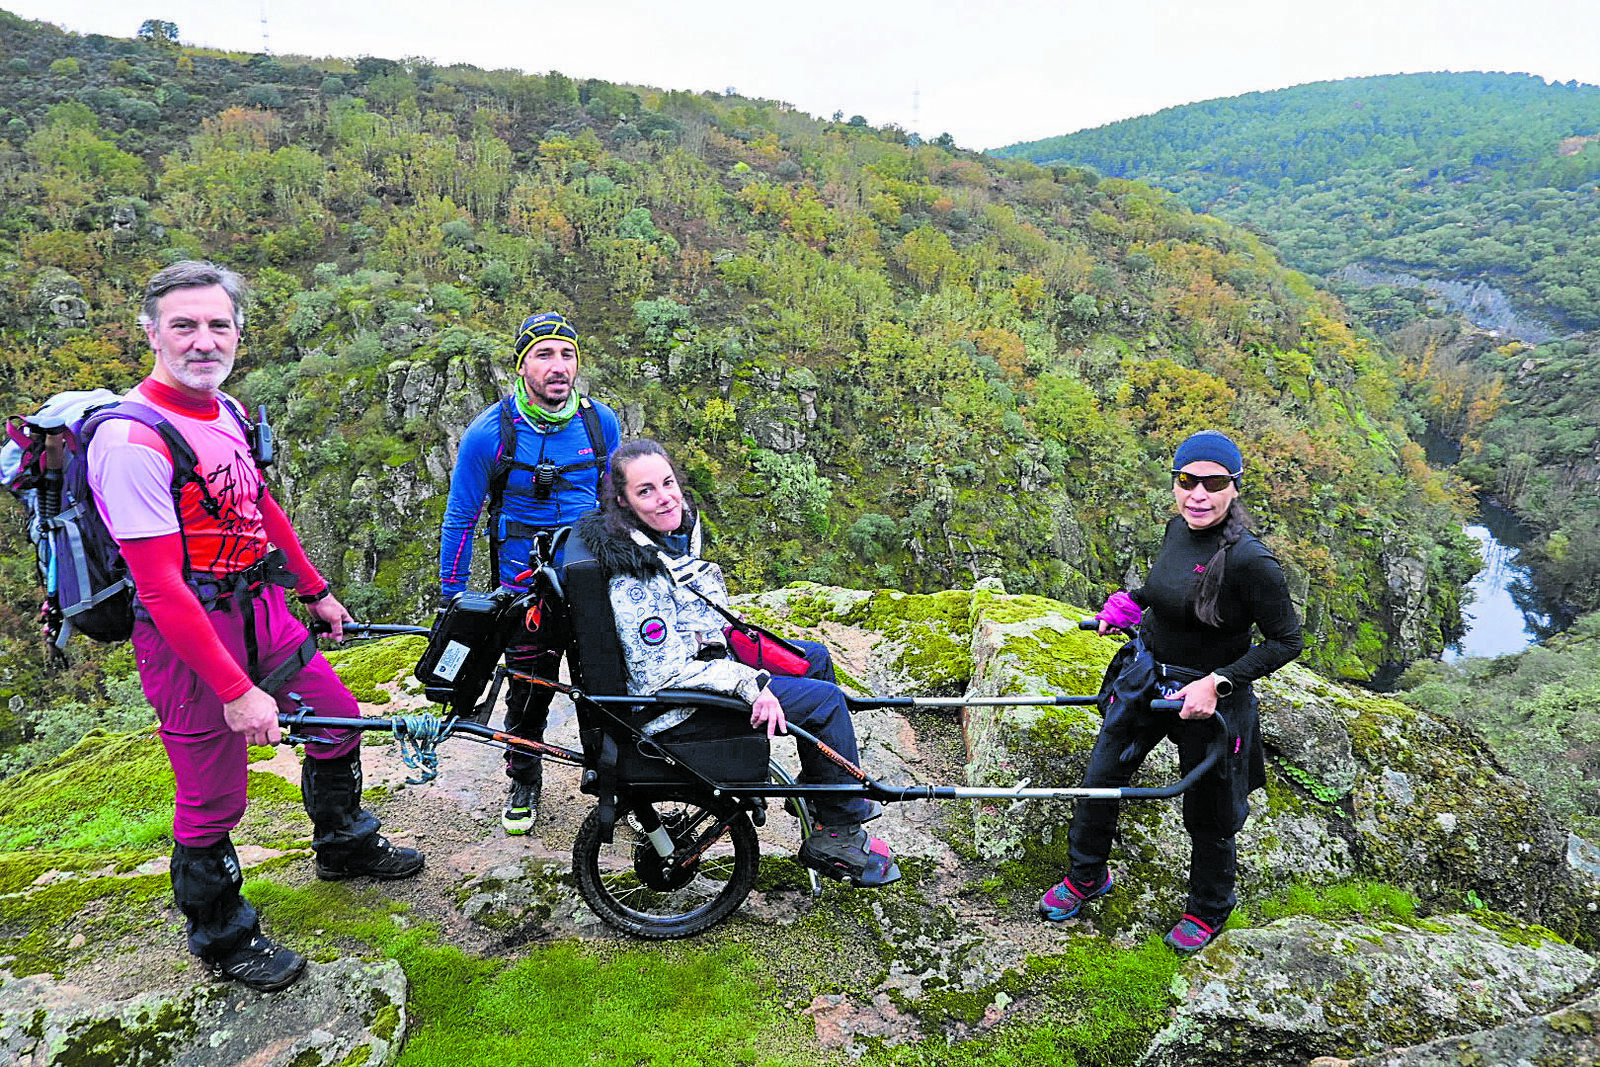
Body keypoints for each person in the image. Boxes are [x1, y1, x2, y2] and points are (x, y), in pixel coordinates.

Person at [87, 261, 423, 993]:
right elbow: (160, 585)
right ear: (151, 333)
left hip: (259, 604)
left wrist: (316, 590)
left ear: (238, 332)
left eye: (218, 324)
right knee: (213, 795)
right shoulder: (130, 441)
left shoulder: (229, 411)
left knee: (336, 719)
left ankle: (344, 843)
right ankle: (222, 933)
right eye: (184, 325)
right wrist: (238, 691)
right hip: (186, 633)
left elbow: (259, 507)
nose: (203, 340)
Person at [575, 439, 899, 887]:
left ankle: (822, 790)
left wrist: (733, 638)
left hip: (700, 667)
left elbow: (686, 618)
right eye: (646, 491)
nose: (665, 496)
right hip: (674, 709)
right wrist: (751, 684)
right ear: (623, 503)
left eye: (668, 483)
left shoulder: (655, 544)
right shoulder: (635, 578)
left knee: (814, 660)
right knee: (824, 704)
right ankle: (838, 834)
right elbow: (660, 673)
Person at [1039, 430, 1303, 954]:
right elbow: (1165, 595)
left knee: (1209, 811)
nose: (1198, 495)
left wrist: (1219, 681)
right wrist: (1130, 605)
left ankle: (1208, 909)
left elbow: (1287, 641)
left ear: (1234, 488)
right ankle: (1086, 876)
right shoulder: (1175, 532)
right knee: (1099, 782)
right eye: (1187, 481)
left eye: (1213, 483)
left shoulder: (1253, 563)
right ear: (1176, 483)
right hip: (1150, 678)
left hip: (1209, 699)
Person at [438, 312, 621, 835]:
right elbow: (462, 516)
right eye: (544, 355)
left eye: (567, 355)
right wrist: (454, 598)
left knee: (601, 683)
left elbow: (616, 504)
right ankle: (524, 777)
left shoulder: (599, 423)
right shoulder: (490, 433)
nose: (558, 366)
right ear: (522, 367)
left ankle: (605, 772)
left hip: (591, 581)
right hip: (524, 587)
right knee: (528, 686)